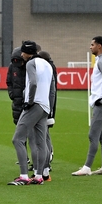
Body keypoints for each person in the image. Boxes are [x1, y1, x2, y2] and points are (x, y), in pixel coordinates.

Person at [8, 41, 54, 186]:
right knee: (41, 143)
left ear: (27, 52)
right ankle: (39, 175)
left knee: (17, 139)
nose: (21, 55)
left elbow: (33, 83)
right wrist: (50, 109)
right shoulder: (47, 64)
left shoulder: (30, 64)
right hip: (45, 106)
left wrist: (30, 100)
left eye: (23, 52)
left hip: (34, 104)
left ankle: (23, 176)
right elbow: (52, 89)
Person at [73, 36, 102, 177]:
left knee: (93, 135)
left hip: (101, 103)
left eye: (92, 44)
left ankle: (87, 167)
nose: (90, 47)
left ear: (99, 46)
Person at [38, 50, 58, 179]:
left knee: (43, 136)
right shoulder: (49, 67)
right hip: (47, 106)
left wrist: (50, 111)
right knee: (44, 134)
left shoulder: (47, 69)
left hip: (44, 106)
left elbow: (52, 91)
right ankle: (45, 165)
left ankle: (46, 164)